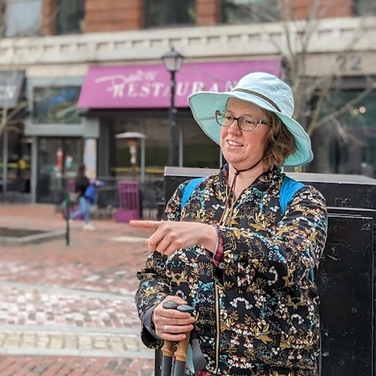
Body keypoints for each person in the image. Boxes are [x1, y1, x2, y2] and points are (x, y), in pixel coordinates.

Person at [130, 72, 327, 376]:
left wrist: (211, 235)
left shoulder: (302, 200)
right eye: (229, 117)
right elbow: (153, 273)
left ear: (274, 134)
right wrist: (154, 312)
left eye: (248, 120)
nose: (233, 129)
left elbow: (292, 262)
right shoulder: (189, 195)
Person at [69, 164, 95, 230]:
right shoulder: (79, 178)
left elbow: (89, 183)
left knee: (87, 211)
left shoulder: (85, 177)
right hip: (82, 196)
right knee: (83, 210)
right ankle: (71, 216)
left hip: (87, 195)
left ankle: (86, 224)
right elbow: (79, 187)